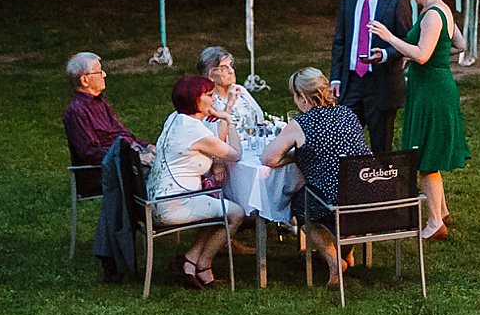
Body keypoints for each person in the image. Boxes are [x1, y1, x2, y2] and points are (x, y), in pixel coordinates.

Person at [370, 0, 469, 241]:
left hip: (432, 92)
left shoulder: (432, 15)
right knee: (428, 150)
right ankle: (443, 210)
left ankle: (434, 222)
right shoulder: (442, 9)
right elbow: (459, 45)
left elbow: (423, 54)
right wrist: (430, 57)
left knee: (426, 157)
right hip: (432, 85)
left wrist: (389, 38)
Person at [261, 67, 370, 285]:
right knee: (341, 200)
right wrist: (304, 154)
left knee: (302, 206)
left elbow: (269, 159)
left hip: (334, 199)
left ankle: (334, 262)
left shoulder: (301, 124)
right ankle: (347, 253)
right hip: (367, 191)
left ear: (302, 98)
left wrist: (295, 156)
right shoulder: (347, 113)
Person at [148, 75, 244, 289]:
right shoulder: (194, 130)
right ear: (195, 101)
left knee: (214, 204)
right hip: (174, 204)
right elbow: (235, 154)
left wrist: (221, 117)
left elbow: (214, 144)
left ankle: (190, 260)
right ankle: (203, 263)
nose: (213, 101)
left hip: (156, 199)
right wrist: (229, 120)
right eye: (209, 96)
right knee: (236, 213)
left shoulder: (175, 118)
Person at [329, 0, 413, 153]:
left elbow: (406, 40)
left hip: (381, 83)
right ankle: (349, 183)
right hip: (351, 82)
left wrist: (384, 55)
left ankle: (382, 183)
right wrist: (336, 78)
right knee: (343, 141)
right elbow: (340, 40)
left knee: (381, 145)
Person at [63, 51, 152, 166]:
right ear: (84, 80)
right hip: (108, 171)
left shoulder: (100, 103)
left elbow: (123, 133)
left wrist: (147, 146)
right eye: (99, 72)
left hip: (125, 158)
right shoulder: (77, 111)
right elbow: (90, 154)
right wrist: (132, 156)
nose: (104, 74)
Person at [198, 45, 265, 128]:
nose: (231, 71)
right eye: (223, 68)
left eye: (231, 66)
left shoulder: (240, 90)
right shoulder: (208, 100)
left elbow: (260, 118)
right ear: (210, 75)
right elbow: (216, 135)